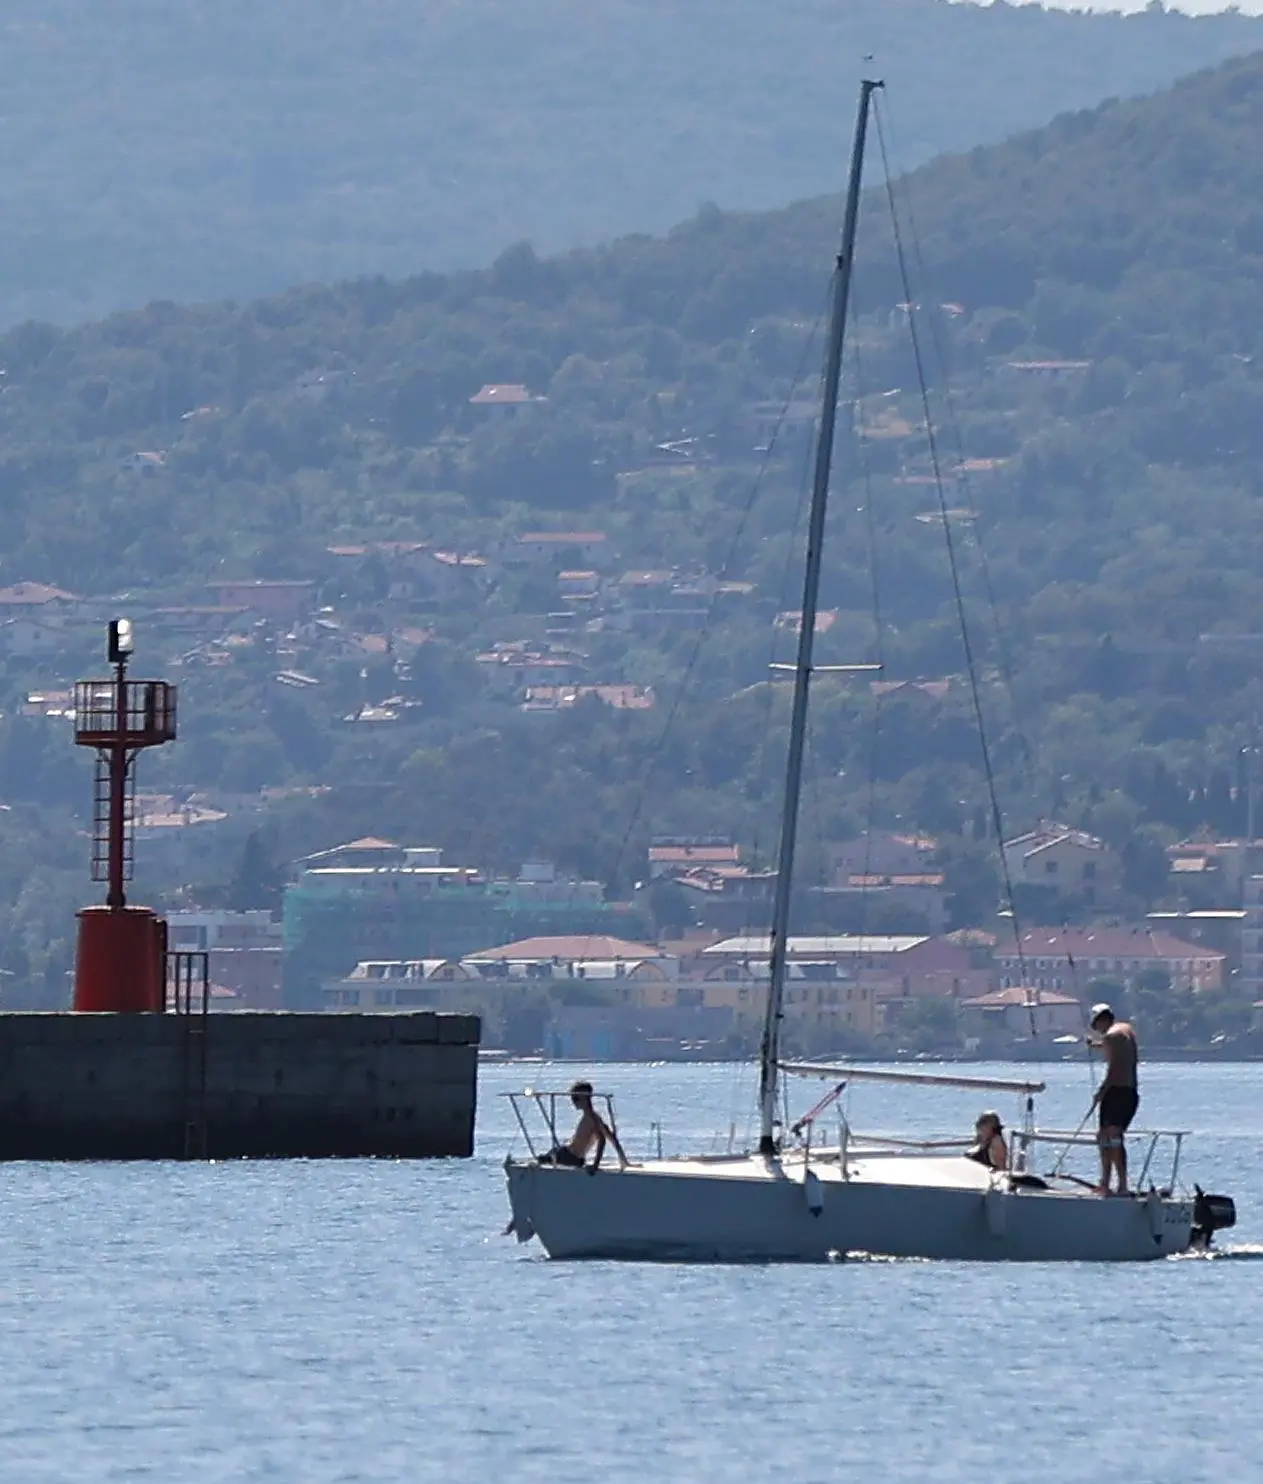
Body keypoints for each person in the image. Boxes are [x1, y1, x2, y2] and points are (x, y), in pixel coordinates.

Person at [1088, 1002, 1139, 1196]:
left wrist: (1102, 1091)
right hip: (1131, 1093)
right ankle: (1119, 1184)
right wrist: (1097, 1046)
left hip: (1116, 1091)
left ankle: (1108, 1183)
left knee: (1107, 1137)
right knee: (1113, 1137)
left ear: (1101, 1021)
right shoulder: (1126, 1030)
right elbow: (1120, 1051)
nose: (1098, 1031)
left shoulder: (1110, 1036)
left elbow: (1115, 1067)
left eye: (1096, 1026)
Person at [537, 1080, 628, 1174]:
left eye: (575, 1098)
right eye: (572, 1098)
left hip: (570, 1157)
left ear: (585, 1098)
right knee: (552, 1152)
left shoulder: (591, 1118)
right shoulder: (593, 1117)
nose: (573, 1101)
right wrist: (623, 1159)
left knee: (542, 1159)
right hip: (570, 1155)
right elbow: (611, 1137)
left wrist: (595, 1165)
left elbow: (603, 1139)